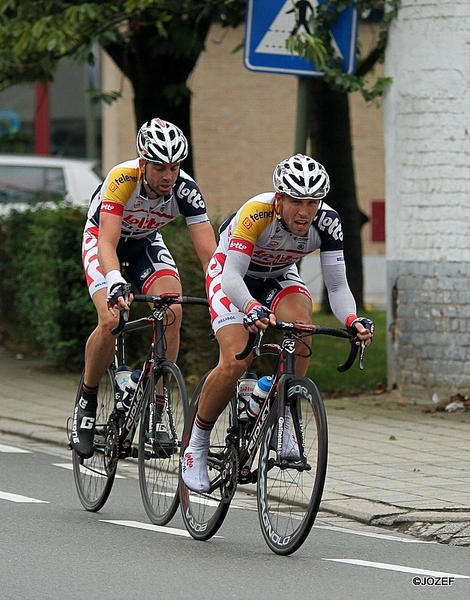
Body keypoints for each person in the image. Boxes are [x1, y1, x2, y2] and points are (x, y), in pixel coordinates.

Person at [181, 153, 374, 493]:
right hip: (233, 277)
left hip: (279, 277)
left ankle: (281, 412)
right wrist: (251, 307)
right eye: (297, 201)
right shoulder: (257, 212)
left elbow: (338, 285)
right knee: (234, 361)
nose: (304, 212)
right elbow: (232, 277)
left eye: (312, 202)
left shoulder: (327, 222)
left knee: (302, 324)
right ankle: (196, 444)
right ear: (280, 198)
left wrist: (352, 319)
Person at [71, 117, 216, 459]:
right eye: (160, 167)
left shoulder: (186, 190)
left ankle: (158, 408)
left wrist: (224, 297)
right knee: (110, 319)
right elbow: (106, 241)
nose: (168, 176)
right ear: (143, 162)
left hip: (145, 244)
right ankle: (87, 401)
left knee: (173, 310)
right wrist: (115, 281)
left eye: (175, 167)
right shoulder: (123, 179)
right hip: (103, 243)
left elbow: (210, 255)